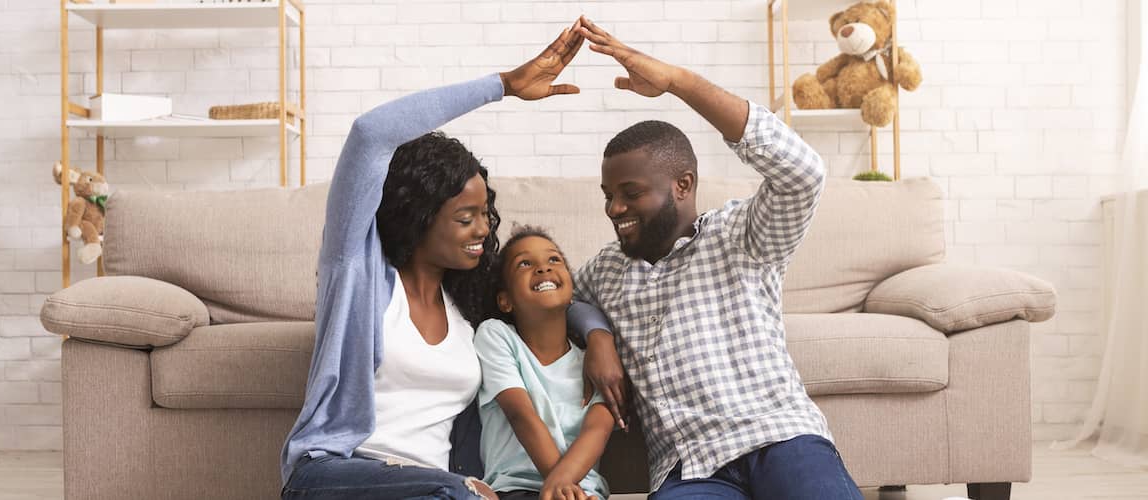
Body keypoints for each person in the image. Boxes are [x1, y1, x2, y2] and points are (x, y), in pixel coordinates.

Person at [280, 20, 587, 500]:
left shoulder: (471, 309)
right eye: (466, 217)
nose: (484, 230)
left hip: (438, 489)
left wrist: (600, 336)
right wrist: (502, 85)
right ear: (420, 216)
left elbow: (561, 295)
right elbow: (370, 133)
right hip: (338, 476)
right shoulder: (358, 275)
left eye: (485, 214)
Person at [566, 18, 864, 500]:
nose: (613, 208)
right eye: (608, 194)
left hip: (780, 438)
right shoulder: (607, 269)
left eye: (630, 193)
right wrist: (597, 335)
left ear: (682, 185)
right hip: (690, 469)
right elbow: (564, 300)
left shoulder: (741, 234)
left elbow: (804, 173)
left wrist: (679, 83)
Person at [475, 226, 614, 500]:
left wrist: (568, 487)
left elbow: (597, 429)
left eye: (554, 260)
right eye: (525, 263)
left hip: (584, 492)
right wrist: (561, 488)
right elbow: (521, 415)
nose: (543, 268)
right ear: (505, 300)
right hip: (515, 489)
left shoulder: (593, 363)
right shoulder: (496, 335)